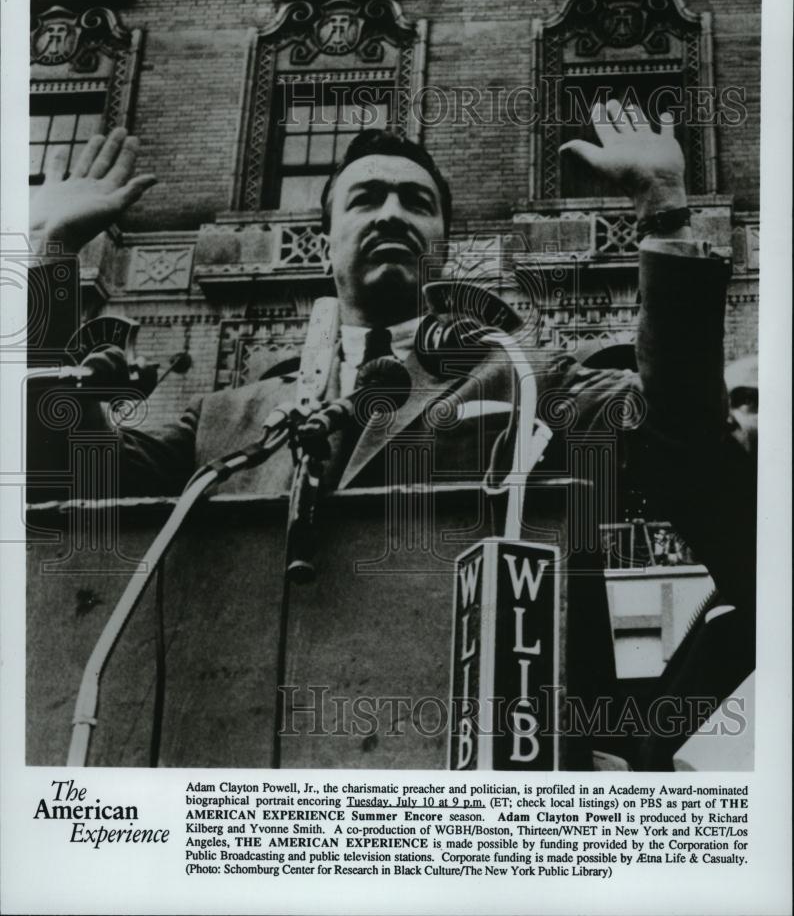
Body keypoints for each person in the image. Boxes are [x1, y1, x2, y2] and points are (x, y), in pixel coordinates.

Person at [27, 102, 742, 767]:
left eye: (417, 202)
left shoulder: (527, 378)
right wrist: (51, 256)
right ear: (323, 236)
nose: (393, 213)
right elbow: (73, 477)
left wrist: (663, 217)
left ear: (444, 245)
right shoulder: (226, 417)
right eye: (367, 198)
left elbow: (679, 439)